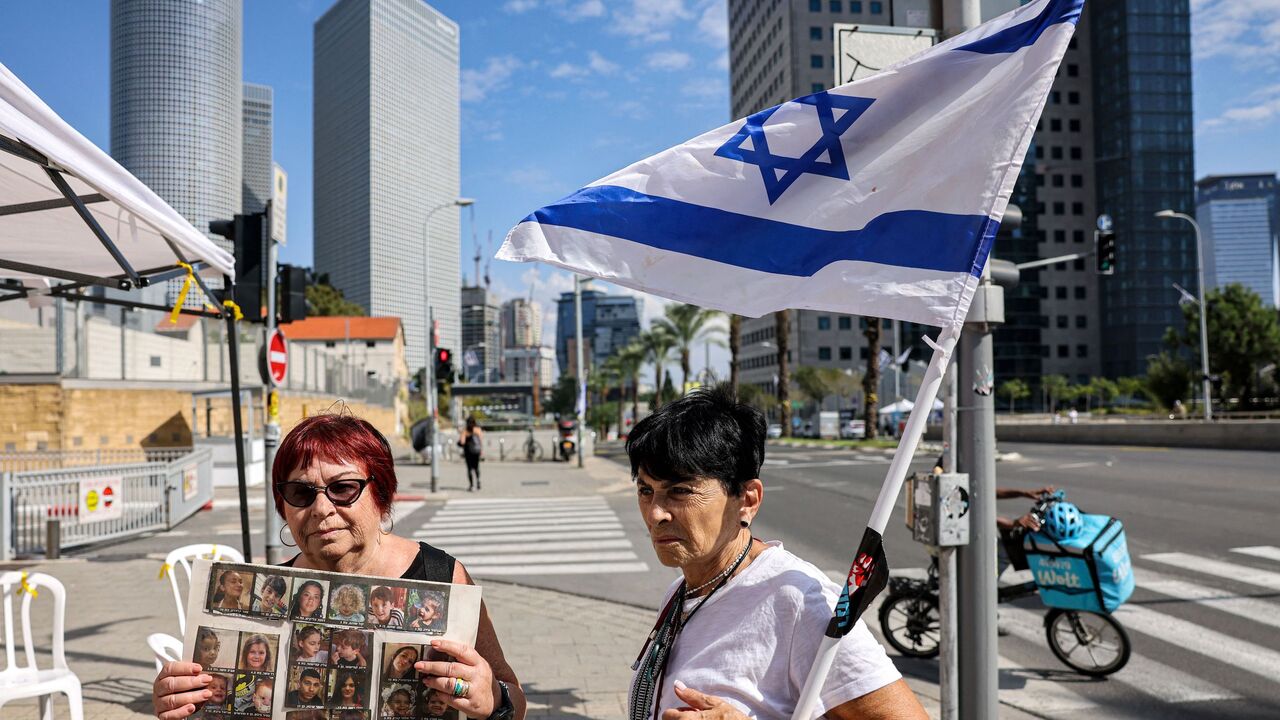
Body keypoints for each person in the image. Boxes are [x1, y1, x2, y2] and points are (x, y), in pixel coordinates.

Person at [154, 413, 524, 720]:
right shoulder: (267, 592)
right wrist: (180, 700)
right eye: (300, 492)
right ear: (283, 506)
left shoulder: (442, 575)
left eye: (342, 488)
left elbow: (515, 699)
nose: (320, 508)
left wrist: (493, 698)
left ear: (382, 495)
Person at [625, 385, 927, 720]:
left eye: (680, 491)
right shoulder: (683, 590)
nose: (655, 513)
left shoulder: (798, 600)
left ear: (748, 500)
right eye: (645, 490)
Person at [458, 416, 484, 491]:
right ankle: (478, 482)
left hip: (468, 452)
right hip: (477, 451)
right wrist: (481, 450)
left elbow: (462, 442)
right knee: (476, 467)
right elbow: (480, 441)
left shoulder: (465, 431)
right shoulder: (478, 430)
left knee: (469, 468)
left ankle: (472, 485)